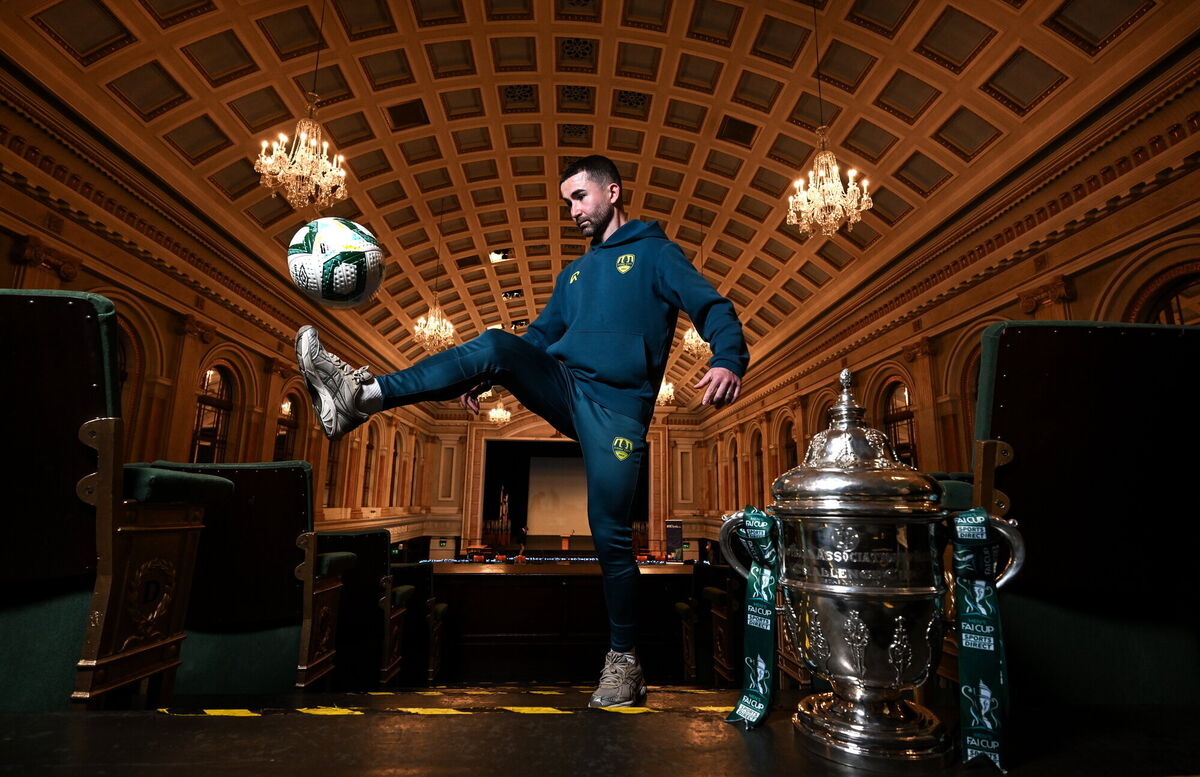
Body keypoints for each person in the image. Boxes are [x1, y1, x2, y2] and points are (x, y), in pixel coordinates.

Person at [295, 154, 749, 707]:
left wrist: (728, 357)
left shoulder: (656, 253)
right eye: (568, 203)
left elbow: (714, 307)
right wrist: (488, 375)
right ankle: (360, 397)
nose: (574, 211)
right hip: (566, 386)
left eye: (580, 197)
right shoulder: (574, 274)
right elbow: (535, 338)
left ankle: (625, 661)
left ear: (612, 191)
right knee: (493, 342)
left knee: (608, 532)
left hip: (617, 412)